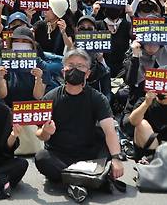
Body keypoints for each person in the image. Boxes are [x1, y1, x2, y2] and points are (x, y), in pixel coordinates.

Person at [34, 49, 124, 202]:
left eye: (80, 66)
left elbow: (109, 130)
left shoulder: (97, 98)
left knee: (105, 149)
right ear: (64, 71)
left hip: (89, 156)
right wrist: (46, 132)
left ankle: (72, 181)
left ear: (88, 73)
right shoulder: (50, 97)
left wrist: (116, 158)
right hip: (60, 155)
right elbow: (39, 133)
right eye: (71, 65)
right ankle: (88, 181)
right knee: (41, 157)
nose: (75, 69)